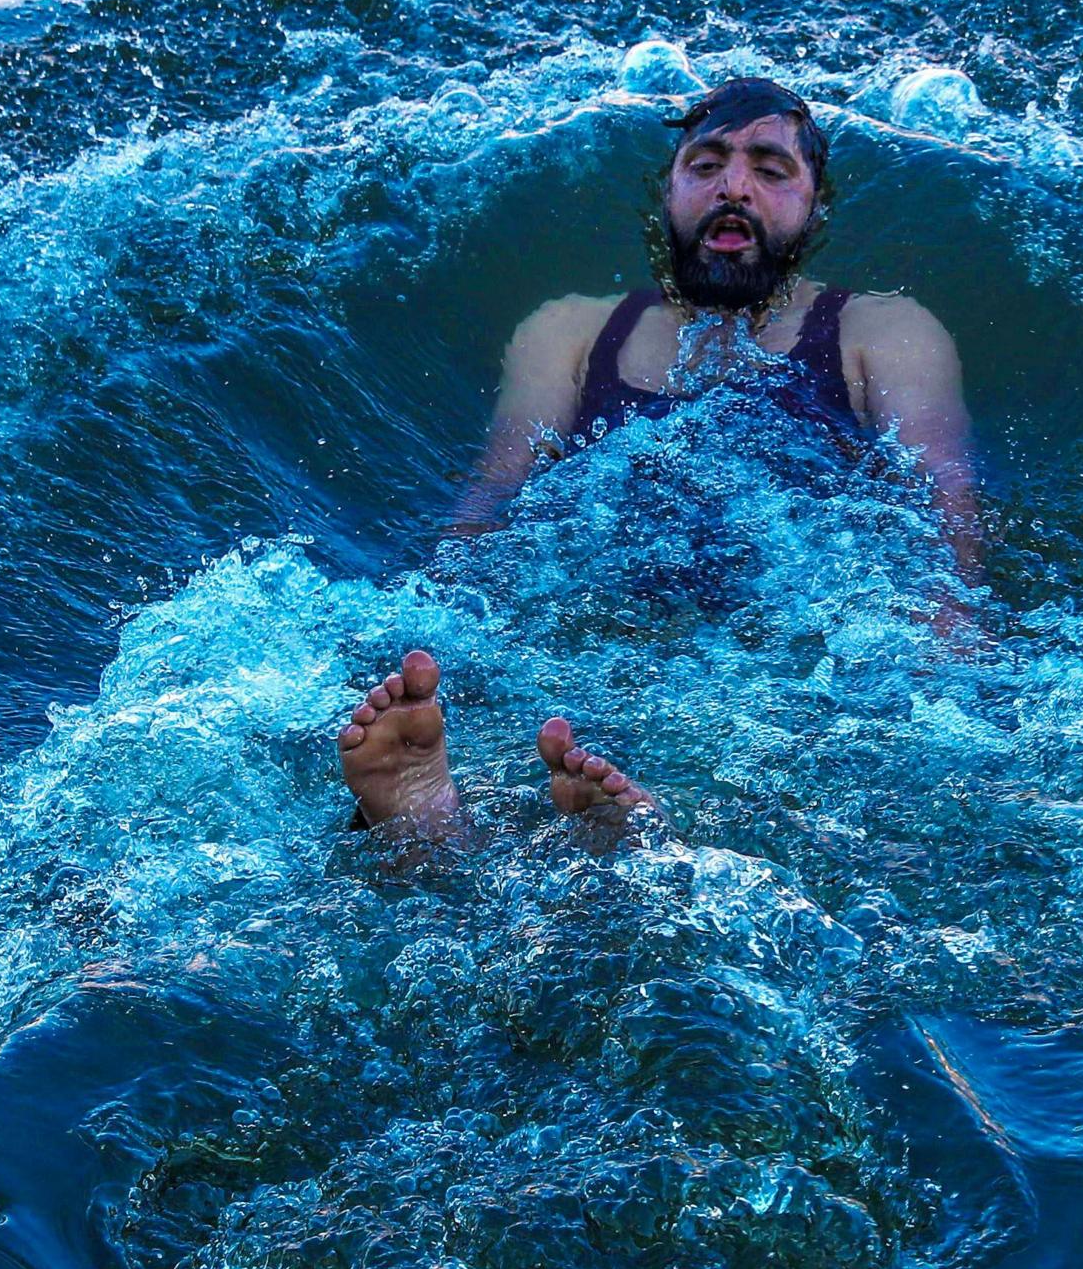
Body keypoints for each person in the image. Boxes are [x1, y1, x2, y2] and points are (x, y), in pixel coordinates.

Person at [339, 78, 979, 840]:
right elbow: (492, 506)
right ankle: (437, 817)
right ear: (668, 191)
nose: (733, 187)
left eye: (770, 171)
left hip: (777, 650)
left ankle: (569, 830)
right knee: (549, 750)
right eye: (705, 165)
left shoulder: (882, 331)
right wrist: (437, 642)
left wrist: (952, 679)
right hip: (599, 628)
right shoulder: (570, 332)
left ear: (815, 206)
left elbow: (943, 525)